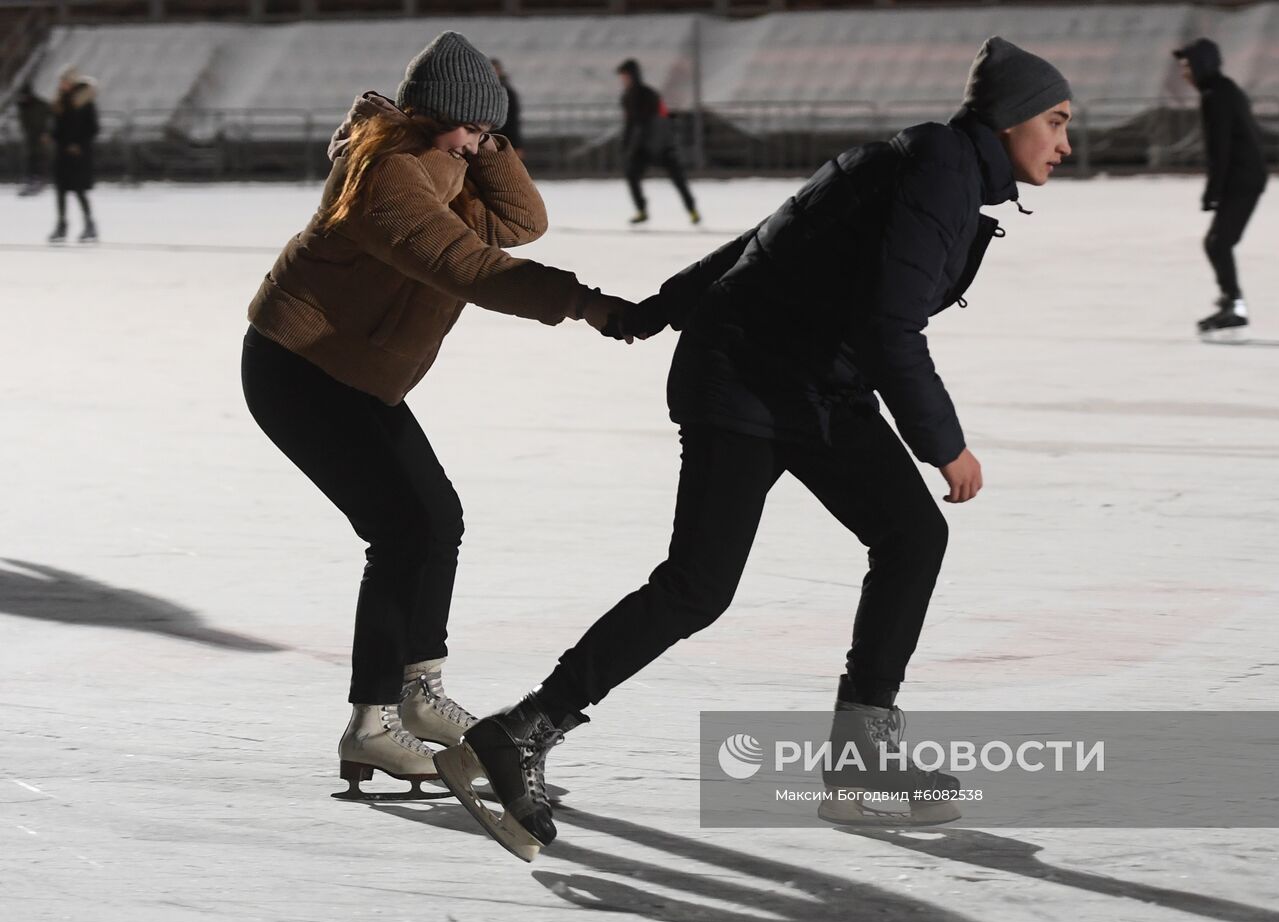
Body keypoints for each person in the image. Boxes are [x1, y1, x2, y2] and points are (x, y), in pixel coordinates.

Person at [436, 36, 1073, 861]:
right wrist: (943, 444)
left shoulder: (929, 163)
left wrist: (662, 306)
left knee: (912, 536)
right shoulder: (937, 170)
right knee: (699, 585)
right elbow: (888, 324)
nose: (1064, 143)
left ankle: (861, 758)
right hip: (743, 375)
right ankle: (522, 728)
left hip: (810, 383)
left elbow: (776, 231)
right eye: (1055, 121)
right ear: (1014, 117)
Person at [240, 31, 634, 801]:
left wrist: (480, 141)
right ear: (430, 115)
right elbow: (468, 264)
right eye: (472, 128)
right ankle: (373, 721)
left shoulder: (446, 164)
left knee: (437, 518)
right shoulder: (385, 175)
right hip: (300, 367)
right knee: (403, 529)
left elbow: (522, 220)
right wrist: (582, 303)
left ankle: (419, 689)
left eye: (490, 132)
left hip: (353, 373)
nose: (482, 143)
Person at [1174, 38, 1268, 335]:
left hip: (1243, 178)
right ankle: (1232, 302)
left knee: (1218, 243)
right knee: (1218, 243)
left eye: (1187, 66)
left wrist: (1213, 192)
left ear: (1202, 64)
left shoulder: (1216, 94)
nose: (1184, 73)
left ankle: (1234, 307)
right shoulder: (1221, 89)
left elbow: (1221, 147)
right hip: (1244, 175)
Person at [616, 58, 699, 226]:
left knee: (678, 178)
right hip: (642, 148)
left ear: (633, 75)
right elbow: (629, 125)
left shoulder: (649, 94)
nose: (622, 80)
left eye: (624, 76)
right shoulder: (627, 98)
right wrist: (626, 146)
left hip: (661, 145)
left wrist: (667, 143)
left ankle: (692, 210)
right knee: (632, 174)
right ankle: (641, 210)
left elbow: (662, 120)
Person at [49, 67, 99, 243]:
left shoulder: (85, 102)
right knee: (60, 191)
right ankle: (61, 225)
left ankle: (89, 225)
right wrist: (51, 136)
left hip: (79, 155)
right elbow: (58, 127)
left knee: (79, 191)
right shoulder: (60, 103)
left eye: (64, 81)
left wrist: (78, 144)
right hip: (63, 154)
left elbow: (92, 128)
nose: (61, 84)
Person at [15, 81, 50, 197]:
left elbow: (50, 117)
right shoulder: (22, 106)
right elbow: (23, 123)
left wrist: (46, 132)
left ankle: (38, 181)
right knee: (30, 159)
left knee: (39, 158)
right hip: (30, 136)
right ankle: (29, 181)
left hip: (40, 135)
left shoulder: (41, 105)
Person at [490, 59, 524, 159]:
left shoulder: (508, 92)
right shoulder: (486, 91)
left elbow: (513, 121)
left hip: (504, 138)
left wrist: (517, 144)